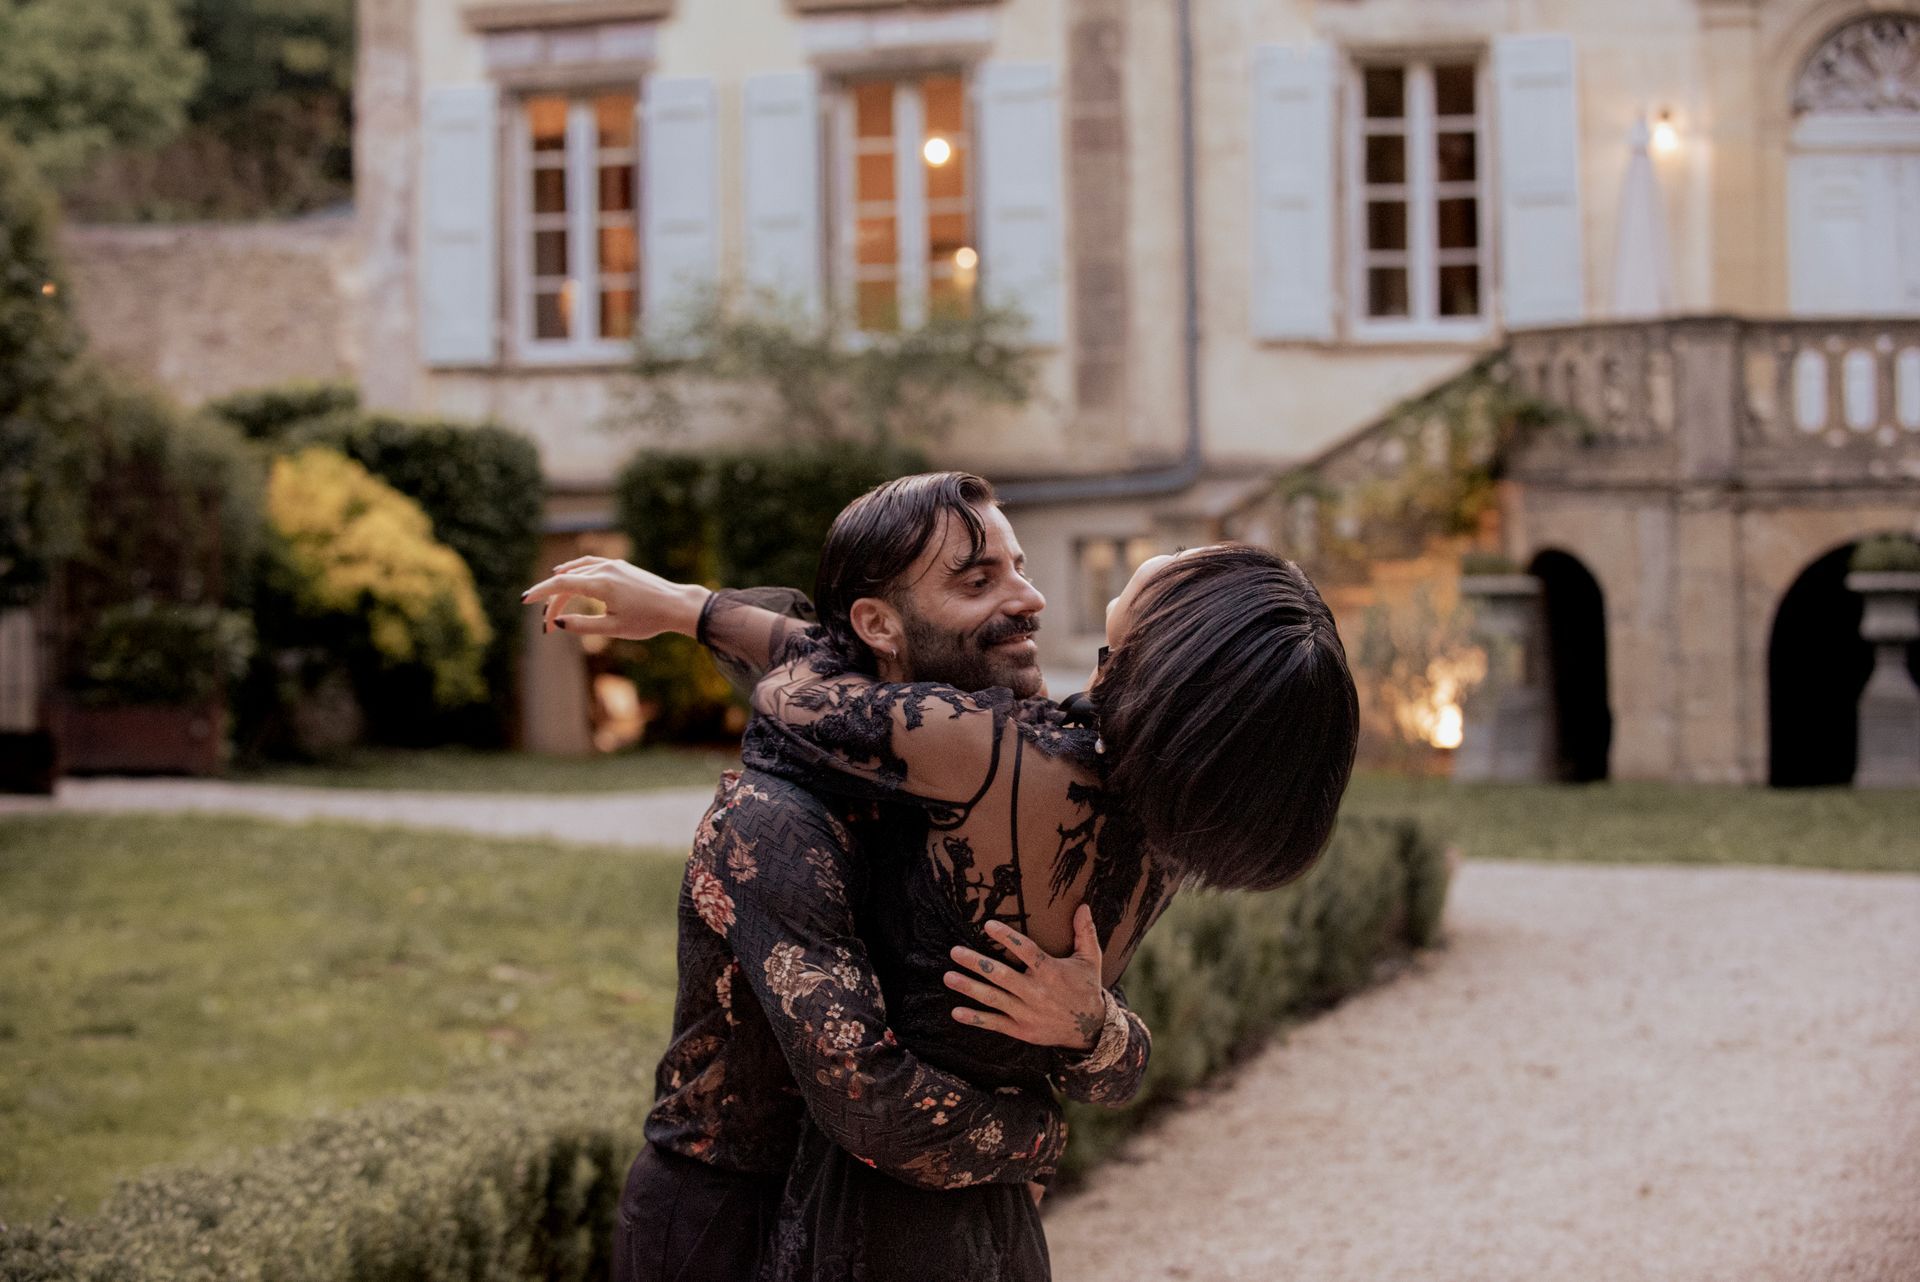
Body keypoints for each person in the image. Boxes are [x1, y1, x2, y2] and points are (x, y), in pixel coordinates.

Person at [527, 472, 1361, 1281]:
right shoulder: (1148, 804)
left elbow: (803, 690)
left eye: (1189, 562)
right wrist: (1090, 1046)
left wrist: (689, 609)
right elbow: (1117, 1064)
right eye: (983, 577)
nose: (1029, 599)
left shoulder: (991, 760)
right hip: (760, 1215)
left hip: (878, 1220)